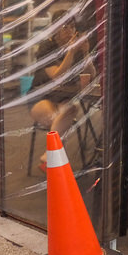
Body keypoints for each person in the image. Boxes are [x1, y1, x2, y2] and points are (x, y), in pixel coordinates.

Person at [29, 10, 89, 169]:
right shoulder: (46, 48)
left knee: (70, 110)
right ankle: (53, 160)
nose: (69, 31)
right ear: (55, 29)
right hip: (41, 96)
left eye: (72, 27)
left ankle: (50, 157)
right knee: (58, 118)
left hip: (64, 97)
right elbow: (56, 75)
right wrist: (71, 52)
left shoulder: (75, 49)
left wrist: (85, 52)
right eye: (65, 27)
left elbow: (92, 74)